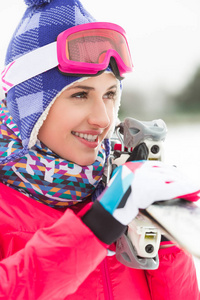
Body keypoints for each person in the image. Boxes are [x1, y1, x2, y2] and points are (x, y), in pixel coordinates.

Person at [0, 0, 200, 299]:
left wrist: (165, 238)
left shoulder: (120, 191)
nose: (103, 119)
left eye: (109, 94)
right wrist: (98, 226)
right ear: (28, 109)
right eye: (80, 94)